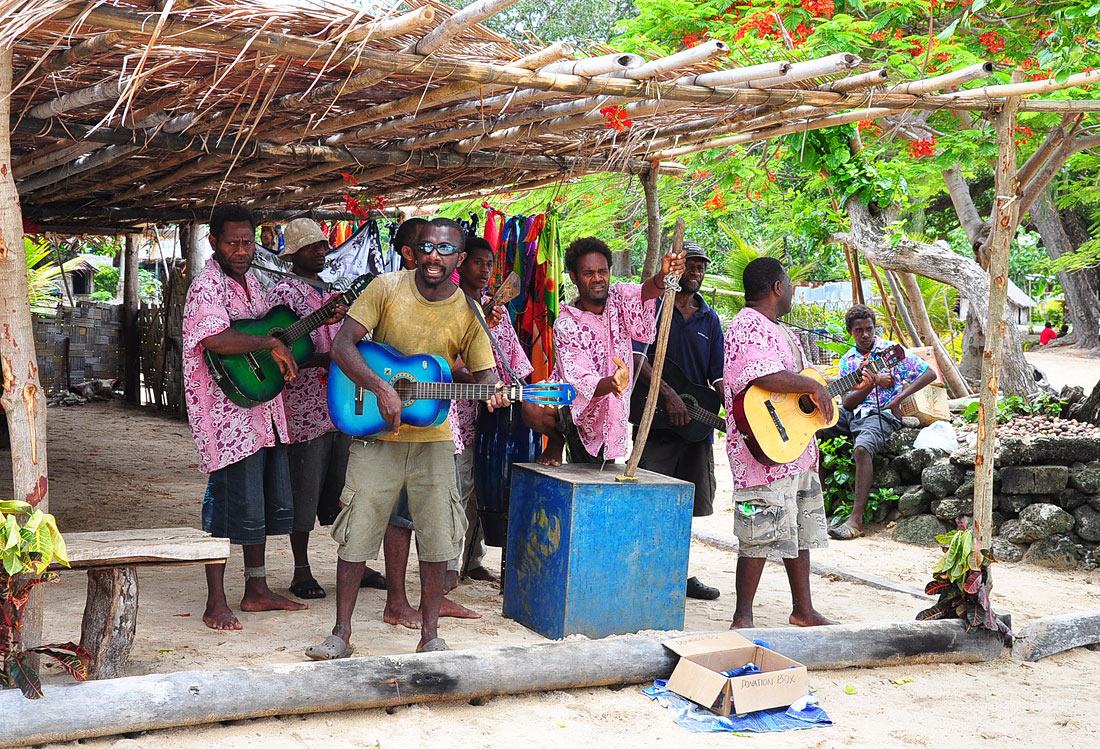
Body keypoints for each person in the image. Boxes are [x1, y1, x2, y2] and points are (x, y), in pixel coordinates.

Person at [306, 217, 508, 658]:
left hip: (433, 438)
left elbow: (485, 372)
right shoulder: (385, 287)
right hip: (375, 433)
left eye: (446, 250)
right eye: (428, 247)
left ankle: (430, 634)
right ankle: (340, 633)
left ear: (459, 258)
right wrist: (381, 388)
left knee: (437, 534)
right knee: (357, 530)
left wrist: (495, 391)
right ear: (415, 250)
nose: (435, 256)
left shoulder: (469, 311)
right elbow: (343, 346)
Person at [181, 204, 306, 631]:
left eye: (248, 242)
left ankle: (256, 590)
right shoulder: (206, 285)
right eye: (232, 242)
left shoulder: (254, 282)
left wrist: (280, 339)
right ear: (213, 242)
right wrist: (268, 344)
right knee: (224, 506)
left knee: (256, 507)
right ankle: (215, 601)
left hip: (261, 412)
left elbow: (270, 329)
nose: (241, 249)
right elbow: (214, 337)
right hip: (226, 417)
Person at [265, 218, 384, 599]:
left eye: (322, 245)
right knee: (304, 489)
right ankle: (301, 570)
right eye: (311, 246)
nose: (320, 251)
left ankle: (356, 562)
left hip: (342, 405)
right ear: (293, 253)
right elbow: (279, 341)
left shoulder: (332, 291)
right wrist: (321, 359)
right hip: (304, 409)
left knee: (346, 490)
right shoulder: (283, 292)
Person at [724, 257, 835, 629]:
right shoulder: (747, 324)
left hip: (795, 450)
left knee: (800, 529)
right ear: (776, 287)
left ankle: (803, 610)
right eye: (788, 283)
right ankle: (743, 617)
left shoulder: (783, 331)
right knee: (757, 533)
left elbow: (802, 392)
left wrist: (832, 390)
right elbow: (765, 376)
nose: (791, 290)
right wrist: (813, 386)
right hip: (762, 453)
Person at [632, 240, 723, 601]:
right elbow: (636, 358)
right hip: (656, 419)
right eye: (690, 266)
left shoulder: (709, 317)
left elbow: (717, 375)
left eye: (701, 267)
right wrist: (668, 395)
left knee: (687, 502)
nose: (697, 273)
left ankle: (676, 575)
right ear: (676, 268)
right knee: (650, 496)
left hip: (694, 423)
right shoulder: (655, 307)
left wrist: (730, 405)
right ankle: (642, 573)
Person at [542, 237, 685, 465]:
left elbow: (644, 292)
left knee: (601, 474)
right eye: (589, 273)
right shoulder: (566, 324)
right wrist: (615, 382)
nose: (597, 278)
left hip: (612, 409)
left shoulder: (618, 297)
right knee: (533, 405)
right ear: (573, 277)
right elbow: (582, 381)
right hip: (576, 408)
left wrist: (662, 277)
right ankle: (557, 441)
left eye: (602, 271)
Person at [446, 237, 534, 591]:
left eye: (490, 264)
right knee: (459, 488)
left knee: (486, 486)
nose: (485, 271)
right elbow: (448, 363)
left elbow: (514, 363)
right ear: (462, 263)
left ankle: (472, 561)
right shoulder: (449, 306)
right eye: (478, 263)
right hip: (456, 412)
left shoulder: (497, 310)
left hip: (492, 416)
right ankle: (450, 567)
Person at [822, 304, 937, 540]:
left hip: (881, 413)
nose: (865, 335)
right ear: (850, 332)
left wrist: (898, 399)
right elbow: (848, 404)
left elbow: (929, 373)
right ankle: (818, 502)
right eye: (858, 330)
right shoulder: (848, 360)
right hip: (855, 414)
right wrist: (871, 383)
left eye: (869, 329)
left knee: (863, 448)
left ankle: (856, 521)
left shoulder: (890, 352)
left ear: (875, 328)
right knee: (817, 426)